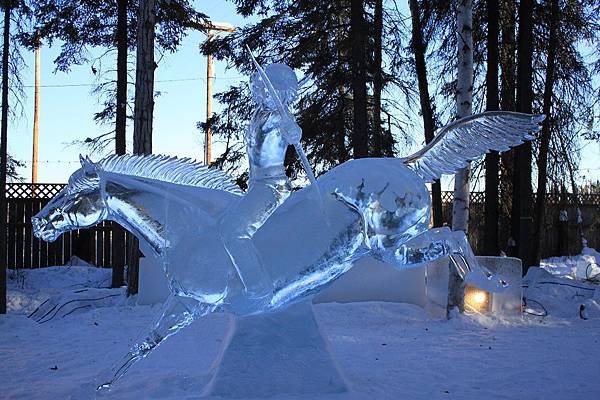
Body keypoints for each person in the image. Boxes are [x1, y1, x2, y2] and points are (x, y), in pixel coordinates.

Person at [219, 63, 302, 305]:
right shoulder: (259, 115)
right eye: (262, 89)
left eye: (271, 89)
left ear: (285, 92)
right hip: (255, 185)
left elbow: (293, 131)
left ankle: (258, 290)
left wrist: (294, 132)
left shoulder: (281, 118)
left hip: (273, 188)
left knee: (234, 231)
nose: (265, 94)